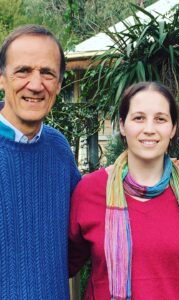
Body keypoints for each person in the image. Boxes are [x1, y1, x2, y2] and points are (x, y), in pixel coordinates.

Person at [68, 82, 179, 300]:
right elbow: (64, 265)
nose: (149, 129)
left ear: (173, 128)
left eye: (160, 119)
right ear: (122, 125)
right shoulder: (90, 191)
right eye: (138, 118)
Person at [0, 25, 81, 299]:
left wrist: (163, 169)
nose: (36, 85)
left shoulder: (59, 149)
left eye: (47, 73)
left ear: (59, 84)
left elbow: (85, 226)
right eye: (23, 71)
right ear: (1, 78)